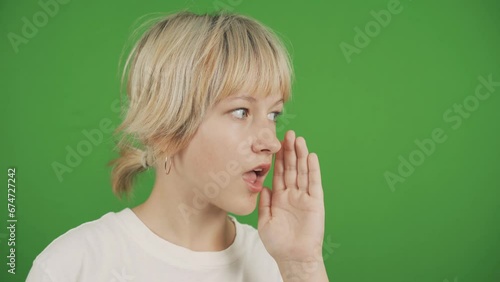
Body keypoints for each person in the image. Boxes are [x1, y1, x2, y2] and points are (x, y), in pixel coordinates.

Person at [26, 10, 328, 282]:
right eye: (241, 112)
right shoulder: (73, 266)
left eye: (274, 114)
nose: (271, 143)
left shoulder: (280, 265)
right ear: (166, 127)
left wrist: (303, 267)